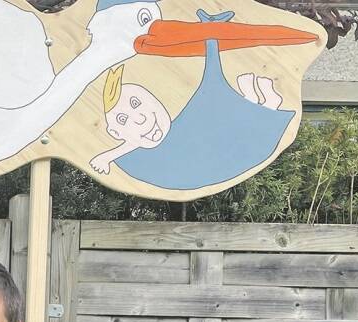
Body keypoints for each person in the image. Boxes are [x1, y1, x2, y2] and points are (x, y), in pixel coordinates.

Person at [88, 9, 299, 191]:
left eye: (136, 104)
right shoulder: (145, 158)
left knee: (234, 95)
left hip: (230, 146)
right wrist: (105, 157)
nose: (140, 119)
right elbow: (132, 145)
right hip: (225, 150)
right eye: (123, 120)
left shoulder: (174, 137)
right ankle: (258, 100)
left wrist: (106, 157)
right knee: (242, 99)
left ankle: (257, 100)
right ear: (114, 133)